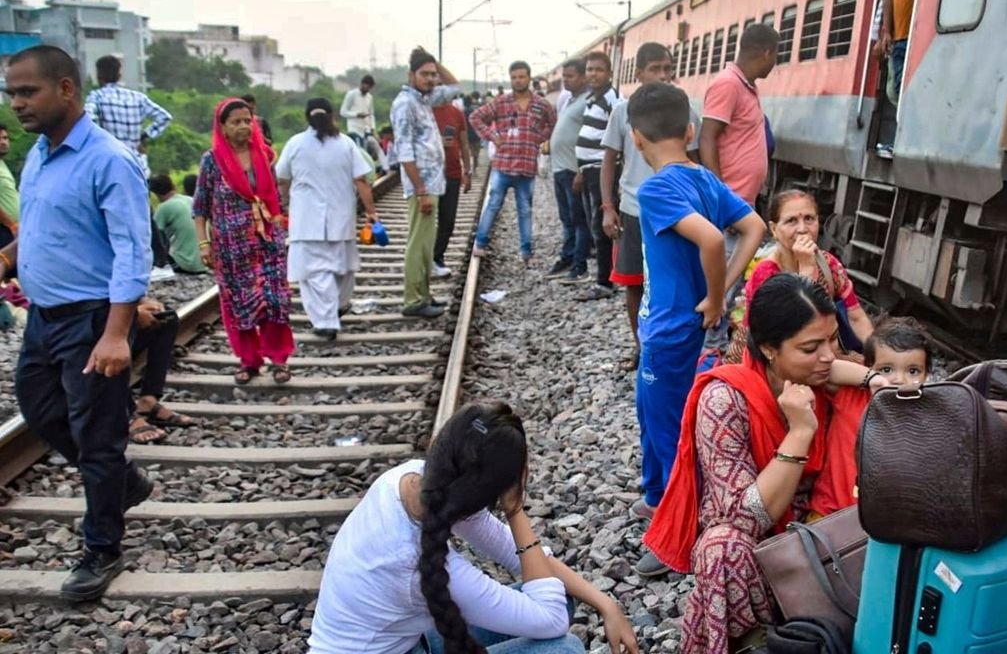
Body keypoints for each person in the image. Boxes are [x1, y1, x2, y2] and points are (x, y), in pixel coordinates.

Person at [644, 274, 888, 651]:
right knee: (721, 549)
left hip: (829, 536)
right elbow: (745, 518)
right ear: (770, 349)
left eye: (832, 340)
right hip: (763, 548)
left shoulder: (823, 377)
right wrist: (799, 433)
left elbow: (844, 370)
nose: (828, 355)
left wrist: (875, 380)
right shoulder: (726, 400)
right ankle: (757, 643)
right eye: (810, 347)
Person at [1, 45, 154, 601]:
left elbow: (132, 250)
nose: (16, 104)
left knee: (98, 436)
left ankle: (101, 549)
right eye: (11, 93)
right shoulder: (40, 153)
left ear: (66, 89)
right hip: (45, 317)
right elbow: (41, 227)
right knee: (40, 409)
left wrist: (116, 333)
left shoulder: (109, 159)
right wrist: (7, 258)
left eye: (26, 92)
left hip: (92, 320)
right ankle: (124, 484)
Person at [309, 400, 640, 654]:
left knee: (559, 595)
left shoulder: (409, 477)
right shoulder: (411, 564)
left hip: (404, 642)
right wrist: (515, 509)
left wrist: (606, 603)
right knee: (562, 648)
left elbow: (516, 554)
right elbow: (550, 620)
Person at [624, 83, 767, 573]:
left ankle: (675, 534)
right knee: (653, 413)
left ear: (636, 138)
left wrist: (713, 295)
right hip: (672, 327)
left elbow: (709, 240)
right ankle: (655, 494)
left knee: (668, 429)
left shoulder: (656, 188)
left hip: (669, 330)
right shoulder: (704, 179)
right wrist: (724, 289)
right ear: (688, 130)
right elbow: (754, 228)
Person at [600, 43, 701, 368]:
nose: (662, 75)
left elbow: (696, 161)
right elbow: (609, 161)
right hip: (633, 210)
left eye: (666, 68)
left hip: (678, 213)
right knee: (634, 284)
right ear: (639, 73)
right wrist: (608, 207)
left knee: (674, 281)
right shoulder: (622, 111)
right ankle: (641, 346)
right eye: (655, 69)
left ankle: (676, 347)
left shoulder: (684, 110)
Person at [193, 98, 295, 384]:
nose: (244, 127)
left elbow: (275, 197)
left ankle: (279, 359)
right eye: (236, 122)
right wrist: (204, 244)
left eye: (247, 121)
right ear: (223, 127)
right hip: (231, 249)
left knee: (274, 300)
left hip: (267, 243)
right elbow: (200, 208)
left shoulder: (265, 156)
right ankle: (249, 361)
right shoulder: (212, 161)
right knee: (240, 303)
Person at [699, 24, 779, 353]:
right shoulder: (728, 84)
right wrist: (723, 200)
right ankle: (708, 354)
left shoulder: (746, 86)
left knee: (728, 288)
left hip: (739, 202)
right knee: (720, 286)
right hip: (729, 206)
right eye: (776, 55)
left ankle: (714, 351)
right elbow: (707, 138)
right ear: (767, 53)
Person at [723, 190, 874, 364]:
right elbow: (790, 332)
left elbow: (856, 316)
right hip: (775, 363)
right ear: (774, 229)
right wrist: (807, 269)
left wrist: (877, 356)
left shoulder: (828, 263)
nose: (802, 229)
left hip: (821, 356)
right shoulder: (766, 273)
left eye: (809, 219)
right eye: (791, 221)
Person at [277, 98, 379, 341]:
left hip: (306, 221)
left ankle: (326, 321)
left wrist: (284, 203)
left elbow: (281, 177)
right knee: (343, 268)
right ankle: (337, 307)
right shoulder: (345, 144)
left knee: (315, 274)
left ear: (306, 117)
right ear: (333, 116)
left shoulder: (295, 144)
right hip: (340, 219)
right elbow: (361, 181)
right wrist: (372, 211)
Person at [390, 47, 464, 319]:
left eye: (434, 75)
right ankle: (413, 300)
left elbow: (455, 86)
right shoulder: (405, 104)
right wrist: (420, 188)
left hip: (433, 184)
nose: (432, 79)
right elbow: (404, 150)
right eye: (425, 74)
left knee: (426, 245)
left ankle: (423, 293)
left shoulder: (424, 100)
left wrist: (435, 60)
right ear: (411, 75)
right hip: (422, 186)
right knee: (418, 244)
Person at [469, 61, 558, 263]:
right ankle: (480, 245)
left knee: (525, 210)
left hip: (527, 167)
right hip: (503, 164)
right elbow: (475, 117)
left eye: (521, 76)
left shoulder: (541, 104)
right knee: (493, 204)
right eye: (514, 77)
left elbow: (553, 123)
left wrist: (538, 137)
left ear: (529, 77)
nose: (518, 80)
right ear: (510, 79)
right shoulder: (501, 102)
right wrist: (492, 136)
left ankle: (526, 252)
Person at [574, 52, 621, 300]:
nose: (593, 74)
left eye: (599, 70)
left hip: (601, 171)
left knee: (602, 224)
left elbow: (615, 139)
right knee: (596, 224)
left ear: (609, 73)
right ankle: (606, 276)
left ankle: (605, 281)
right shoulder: (595, 98)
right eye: (590, 69)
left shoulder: (612, 100)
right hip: (590, 169)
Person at [873, 0, 923, 157]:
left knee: (905, 91)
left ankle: (903, 142)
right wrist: (886, 31)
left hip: (917, 37)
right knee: (895, 91)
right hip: (898, 37)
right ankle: (903, 139)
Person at [126, 296, 200, 445]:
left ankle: (148, 402)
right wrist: (130, 313)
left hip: (111, 309)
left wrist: (144, 302)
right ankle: (124, 414)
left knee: (166, 319)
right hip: (83, 320)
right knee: (112, 349)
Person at [84, 55, 173, 175]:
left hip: (110, 166)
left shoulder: (97, 96)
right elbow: (164, 117)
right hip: (137, 166)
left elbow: (87, 118)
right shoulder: (138, 97)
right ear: (119, 75)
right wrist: (144, 137)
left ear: (99, 76)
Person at [546, 59, 591, 281]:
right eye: (564, 76)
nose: (565, 80)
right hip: (560, 169)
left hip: (574, 170)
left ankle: (579, 266)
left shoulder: (589, 102)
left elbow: (593, 139)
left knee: (579, 219)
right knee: (567, 219)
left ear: (584, 77)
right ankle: (568, 257)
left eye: (570, 76)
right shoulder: (570, 100)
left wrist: (582, 171)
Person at [433, 98, 473, 278]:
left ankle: (437, 257)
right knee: (425, 222)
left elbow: (464, 143)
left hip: (452, 173)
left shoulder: (456, 113)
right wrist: (437, 142)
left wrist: (467, 171)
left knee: (448, 219)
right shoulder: (424, 111)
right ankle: (424, 260)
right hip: (430, 174)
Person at [149, 175, 208, 275]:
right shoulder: (190, 199)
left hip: (187, 264)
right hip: (206, 260)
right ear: (173, 186)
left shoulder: (164, 207)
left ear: (155, 193)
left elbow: (152, 237)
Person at [862, 315, 931, 387]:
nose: (899, 380)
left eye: (912, 371)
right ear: (868, 368)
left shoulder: (934, 398)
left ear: (926, 375)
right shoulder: (856, 396)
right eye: (886, 370)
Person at [0, 123, 18, 248]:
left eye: (5, 138)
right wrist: (11, 224)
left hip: (13, 230)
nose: (3, 142)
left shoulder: (2, 164)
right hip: (5, 230)